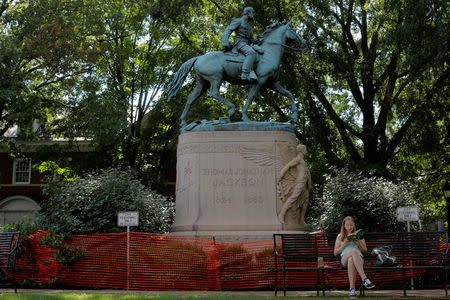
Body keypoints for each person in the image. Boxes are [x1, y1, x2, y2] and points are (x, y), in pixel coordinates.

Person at [333, 216, 375, 298]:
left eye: (351, 225)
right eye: (347, 225)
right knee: (353, 251)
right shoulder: (340, 236)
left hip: (358, 259)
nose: (349, 227)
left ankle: (352, 289)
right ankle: (364, 278)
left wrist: (358, 243)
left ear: (354, 225)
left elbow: (365, 251)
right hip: (344, 259)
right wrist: (344, 244)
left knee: (351, 259)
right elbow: (335, 253)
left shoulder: (358, 235)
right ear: (344, 226)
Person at [221, 6, 261, 82]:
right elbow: (228, 30)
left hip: (246, 44)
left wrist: (258, 40)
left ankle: (251, 70)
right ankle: (245, 74)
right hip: (239, 43)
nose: (253, 15)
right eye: (253, 12)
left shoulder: (249, 26)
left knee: (257, 53)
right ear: (248, 13)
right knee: (251, 52)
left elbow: (251, 39)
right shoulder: (238, 21)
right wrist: (225, 41)